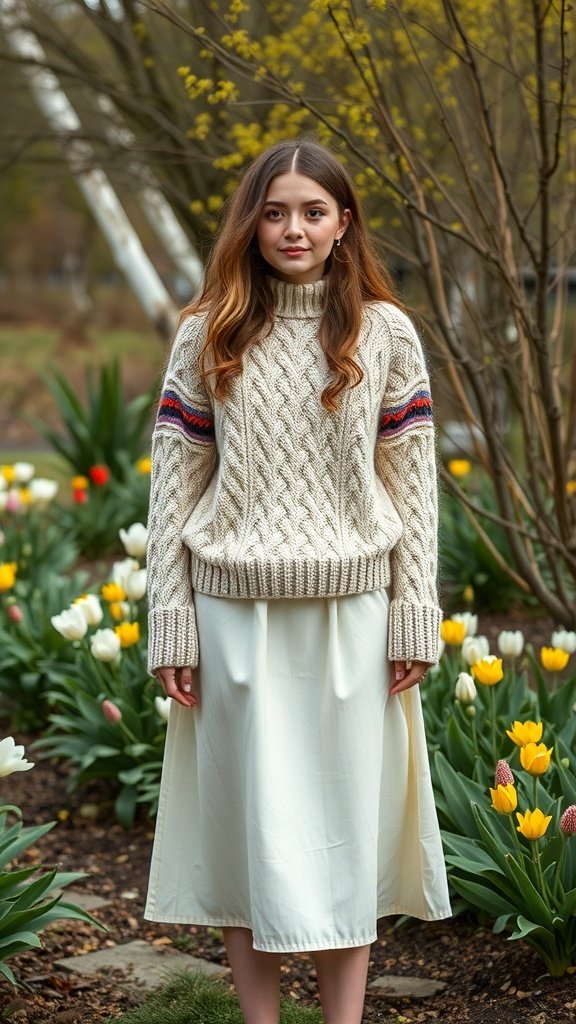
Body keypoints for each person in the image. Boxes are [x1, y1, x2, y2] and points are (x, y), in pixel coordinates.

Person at [144, 138, 451, 1024]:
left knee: (341, 836)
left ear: (343, 222)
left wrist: (413, 613)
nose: (293, 228)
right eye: (274, 211)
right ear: (251, 220)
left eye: (313, 211)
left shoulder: (385, 334)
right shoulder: (208, 332)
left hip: (352, 615)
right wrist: (172, 618)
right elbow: (175, 481)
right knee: (249, 835)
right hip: (233, 613)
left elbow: (412, 483)